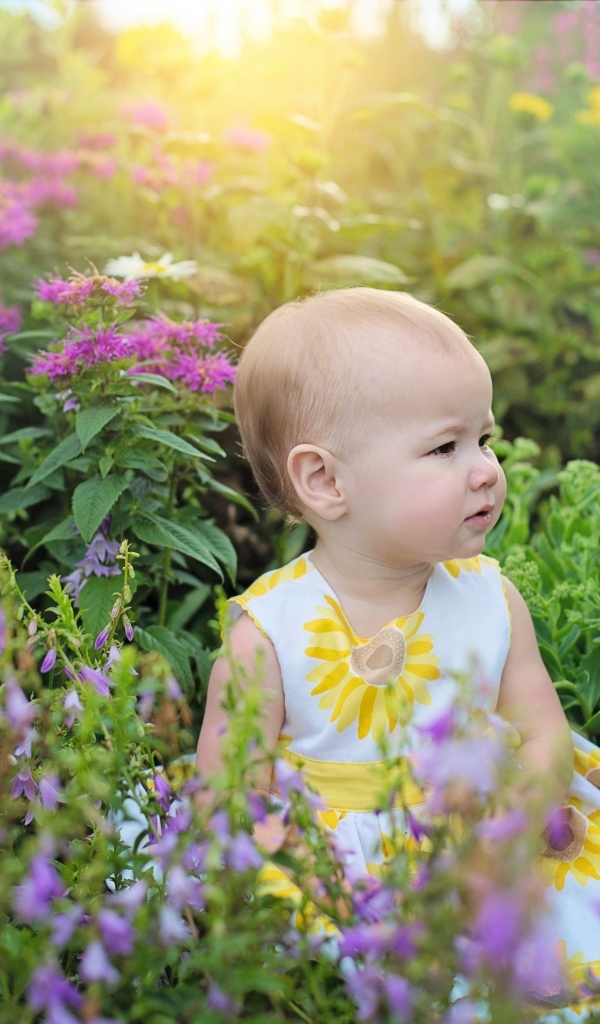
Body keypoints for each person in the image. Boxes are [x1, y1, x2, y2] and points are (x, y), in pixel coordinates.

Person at [196, 287, 600, 997]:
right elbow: (230, 791)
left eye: (486, 439)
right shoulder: (267, 633)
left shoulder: (490, 598)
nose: (484, 469)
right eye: (446, 446)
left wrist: (517, 816)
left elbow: (545, 731)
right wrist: (272, 864)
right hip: (344, 865)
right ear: (324, 480)